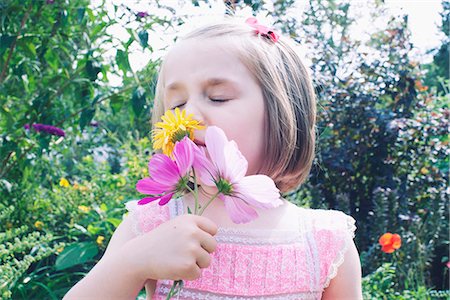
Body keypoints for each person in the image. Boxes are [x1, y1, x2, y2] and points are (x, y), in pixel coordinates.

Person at [64, 17, 362, 300]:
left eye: (218, 97)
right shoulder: (152, 224)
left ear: (282, 113)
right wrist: (133, 261)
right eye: (177, 104)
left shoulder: (324, 242)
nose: (188, 117)